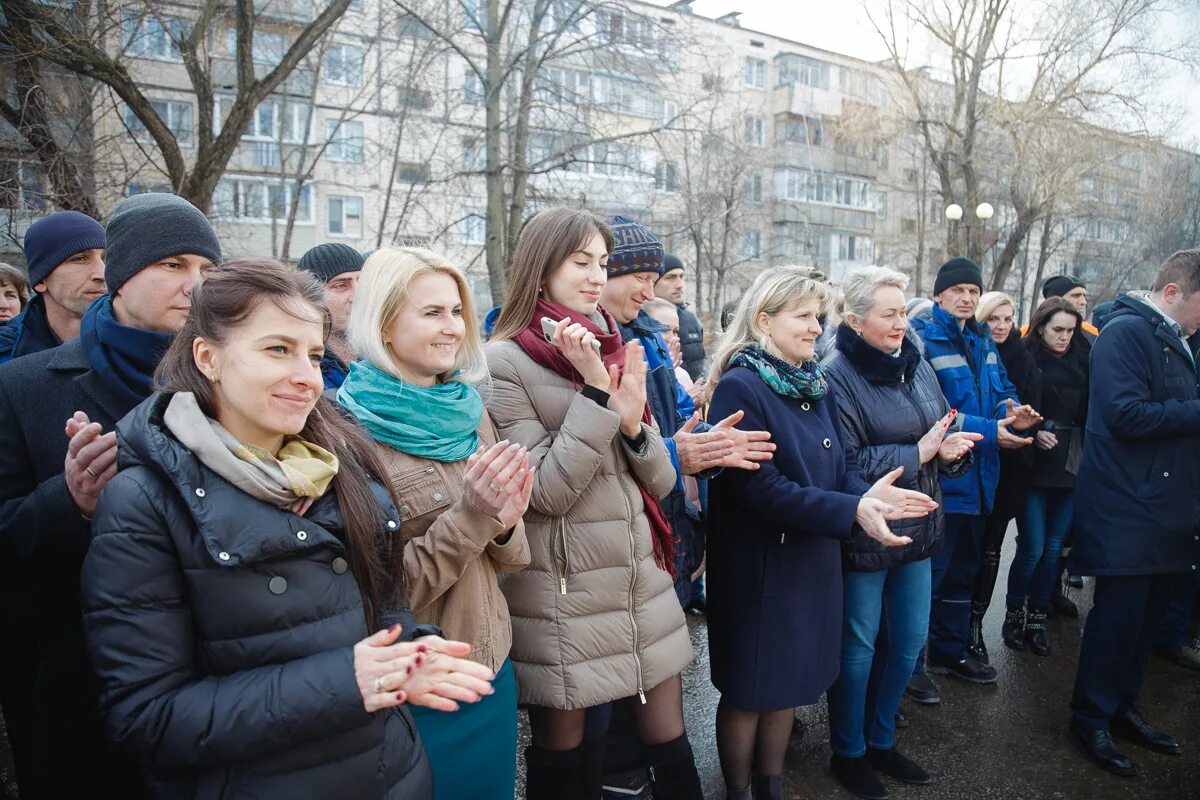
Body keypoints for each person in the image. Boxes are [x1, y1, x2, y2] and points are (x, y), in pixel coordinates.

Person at [82, 259, 495, 798]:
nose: (306, 376)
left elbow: (385, 611)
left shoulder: (340, 467)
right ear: (208, 357)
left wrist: (414, 651)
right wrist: (352, 681)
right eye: (278, 349)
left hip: (389, 775)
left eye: (316, 355)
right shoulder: (143, 503)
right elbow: (149, 719)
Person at [0, 192, 221, 797]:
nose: (194, 286)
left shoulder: (231, 387)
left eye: (206, 270)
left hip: (218, 689)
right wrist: (70, 504)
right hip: (81, 695)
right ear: (120, 276)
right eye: (172, 265)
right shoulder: (23, 387)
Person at [486, 207, 701, 799]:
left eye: (601, 263)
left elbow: (661, 481)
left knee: (669, 739)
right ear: (540, 269)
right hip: (564, 592)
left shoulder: (612, 345)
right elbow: (546, 493)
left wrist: (633, 428)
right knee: (566, 756)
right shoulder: (504, 362)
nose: (595, 276)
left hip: (636, 579)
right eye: (581, 262)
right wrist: (597, 395)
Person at [705, 266, 937, 800]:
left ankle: (772, 784)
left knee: (787, 686)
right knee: (749, 690)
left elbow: (841, 468)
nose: (817, 328)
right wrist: (852, 508)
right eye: (804, 317)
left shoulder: (813, 382)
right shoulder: (743, 384)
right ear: (765, 321)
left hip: (809, 560)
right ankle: (739, 790)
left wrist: (868, 495)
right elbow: (762, 489)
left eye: (819, 317)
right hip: (762, 568)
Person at [337, 247, 532, 799]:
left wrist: (505, 523)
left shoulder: (470, 412)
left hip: (490, 668)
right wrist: (472, 518)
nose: (452, 329)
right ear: (383, 323)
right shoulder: (348, 436)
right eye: (432, 313)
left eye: (457, 312)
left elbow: (511, 559)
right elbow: (379, 594)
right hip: (417, 687)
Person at [823, 267, 978, 799]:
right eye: (887, 315)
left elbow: (938, 428)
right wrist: (918, 455)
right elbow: (841, 464)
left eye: (902, 312)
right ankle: (848, 751)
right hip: (869, 530)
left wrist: (950, 450)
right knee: (860, 646)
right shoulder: (835, 373)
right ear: (853, 320)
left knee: (909, 643)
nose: (901, 324)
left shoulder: (914, 362)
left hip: (921, 522)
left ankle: (882, 739)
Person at [1069, 250, 1200, 777]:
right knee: (1117, 621)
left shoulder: (1177, 339)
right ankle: (1090, 719)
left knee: (1144, 624)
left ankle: (1122, 708)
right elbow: (1124, 415)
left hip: (1163, 508)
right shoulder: (1126, 333)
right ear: (1172, 294)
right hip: (1128, 507)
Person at [909, 258, 1040, 700]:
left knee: (964, 570)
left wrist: (1013, 412)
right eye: (958, 290)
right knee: (932, 574)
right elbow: (931, 409)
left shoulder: (982, 338)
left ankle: (950, 650)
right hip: (944, 480)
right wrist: (991, 431)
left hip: (982, 479)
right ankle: (913, 664)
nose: (967, 298)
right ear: (940, 294)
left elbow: (1001, 387)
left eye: (973, 290)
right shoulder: (925, 339)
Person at [1002, 298, 1090, 657]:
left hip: (1072, 463)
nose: (1064, 337)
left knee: (1054, 549)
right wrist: (1034, 431)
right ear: (1040, 326)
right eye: (1058, 329)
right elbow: (1012, 406)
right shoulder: (1026, 358)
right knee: (1033, 547)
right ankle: (1013, 614)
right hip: (1034, 463)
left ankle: (1037, 621)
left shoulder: (1085, 359)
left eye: (1071, 330)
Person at [964, 292, 1044, 666]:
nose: (1000, 326)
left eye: (1007, 319)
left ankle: (975, 625)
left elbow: (1024, 406)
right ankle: (954, 626)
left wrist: (1026, 419)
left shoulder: (1023, 359)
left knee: (992, 551)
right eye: (993, 318)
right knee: (967, 549)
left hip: (1010, 466)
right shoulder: (976, 351)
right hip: (973, 458)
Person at [0, 210, 106, 364]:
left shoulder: (139, 346)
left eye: (104, 259)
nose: (102, 273)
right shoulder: (7, 355)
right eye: (80, 259)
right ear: (41, 280)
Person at [298, 241, 363, 388]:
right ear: (313, 298)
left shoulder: (386, 360)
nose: (358, 296)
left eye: (362, 282)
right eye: (341, 286)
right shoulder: (302, 371)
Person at [656, 253, 708, 382]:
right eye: (670, 277)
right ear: (653, 281)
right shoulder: (642, 319)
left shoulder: (692, 320)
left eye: (681, 276)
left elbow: (700, 362)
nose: (679, 284)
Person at [1041, 275, 1098, 340]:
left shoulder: (1091, 332)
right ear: (1056, 299)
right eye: (1076, 296)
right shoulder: (1029, 334)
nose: (1083, 302)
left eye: (1084, 296)